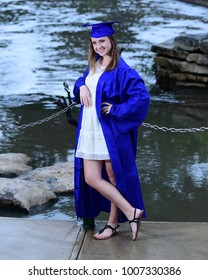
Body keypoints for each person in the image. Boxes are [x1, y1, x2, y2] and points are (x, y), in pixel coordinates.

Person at [73, 21, 150, 241]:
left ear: (112, 41)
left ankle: (113, 224)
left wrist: (117, 109)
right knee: (91, 178)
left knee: (113, 179)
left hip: (107, 132)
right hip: (89, 131)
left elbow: (142, 98)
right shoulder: (94, 64)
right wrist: (81, 86)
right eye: (95, 42)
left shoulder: (122, 70)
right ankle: (131, 211)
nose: (98, 46)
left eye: (102, 42)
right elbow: (84, 79)